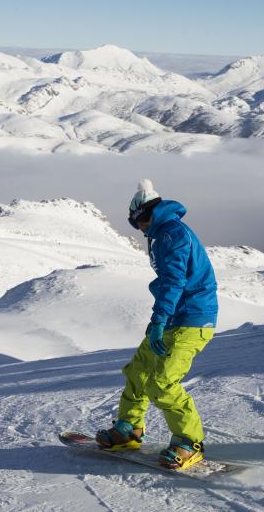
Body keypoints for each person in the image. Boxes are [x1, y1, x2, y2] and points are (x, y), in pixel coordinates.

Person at [96, 179, 218, 470]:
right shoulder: (163, 231)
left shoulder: (171, 234)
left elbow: (173, 280)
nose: (135, 228)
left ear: (141, 214)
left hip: (192, 318)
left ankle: (190, 442)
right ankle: (129, 429)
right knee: (138, 371)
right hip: (174, 317)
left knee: (162, 383)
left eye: (133, 221)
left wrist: (159, 319)